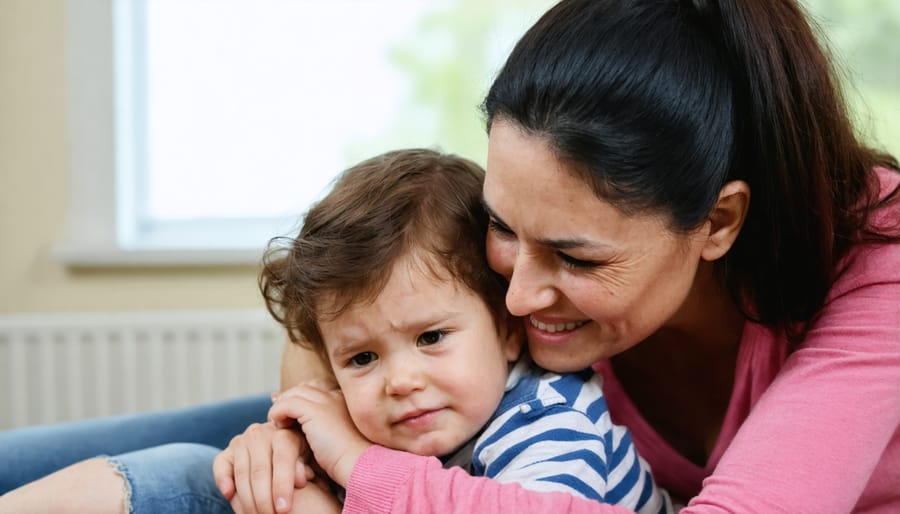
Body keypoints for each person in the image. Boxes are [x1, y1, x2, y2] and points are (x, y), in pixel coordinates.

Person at [3, 0, 899, 511]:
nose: (515, 296)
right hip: (461, 432)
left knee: (186, 485)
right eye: (505, 229)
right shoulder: (557, 185)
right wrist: (303, 419)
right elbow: (356, 284)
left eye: (576, 261)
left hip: (479, 467)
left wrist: (350, 470)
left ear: (718, 221)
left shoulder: (878, 267)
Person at [216, 148, 671, 514]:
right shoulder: (380, 423)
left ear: (508, 329)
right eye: (362, 359)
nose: (400, 382)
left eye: (430, 338)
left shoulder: (548, 419)